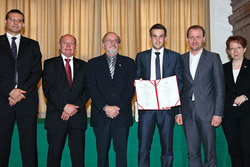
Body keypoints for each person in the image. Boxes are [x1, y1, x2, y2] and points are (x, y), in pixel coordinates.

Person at [175, 25, 225, 167]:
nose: (195, 40)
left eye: (198, 37)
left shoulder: (213, 58)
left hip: (208, 113)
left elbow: (219, 88)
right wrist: (178, 112)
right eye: (191, 37)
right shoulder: (181, 59)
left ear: (204, 38)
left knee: (210, 154)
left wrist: (217, 113)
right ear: (187, 39)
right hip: (187, 113)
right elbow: (179, 87)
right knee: (192, 153)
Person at [135, 23, 183, 167]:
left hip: (167, 109)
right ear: (150, 38)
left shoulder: (175, 57)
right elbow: (137, 78)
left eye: (160, 36)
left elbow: (180, 82)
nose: (157, 39)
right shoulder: (141, 56)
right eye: (154, 36)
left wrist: (173, 102)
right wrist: (138, 83)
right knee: (143, 149)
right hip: (147, 110)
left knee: (167, 149)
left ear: (165, 38)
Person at [86, 32, 136, 167]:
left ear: (119, 44)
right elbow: (91, 88)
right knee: (102, 155)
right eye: (108, 41)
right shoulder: (92, 63)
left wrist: (116, 107)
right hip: (101, 116)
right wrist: (106, 107)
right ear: (103, 44)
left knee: (121, 155)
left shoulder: (130, 63)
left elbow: (130, 89)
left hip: (122, 115)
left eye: (115, 41)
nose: (112, 43)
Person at [0, 9, 42, 167]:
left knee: (29, 147)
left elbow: (37, 72)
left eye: (19, 20)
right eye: (12, 19)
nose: (16, 22)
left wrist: (19, 92)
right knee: (2, 146)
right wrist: (10, 91)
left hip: (27, 101)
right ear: (5, 22)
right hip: (3, 102)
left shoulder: (32, 45)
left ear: (23, 24)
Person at [42, 34, 89, 167]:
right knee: (53, 158)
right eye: (65, 43)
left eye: (71, 43)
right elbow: (48, 89)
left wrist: (74, 108)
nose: (68, 46)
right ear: (59, 46)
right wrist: (64, 106)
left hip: (77, 118)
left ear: (76, 47)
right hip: (56, 118)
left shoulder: (84, 66)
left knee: (78, 159)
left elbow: (87, 90)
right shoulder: (49, 64)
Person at [222, 35, 250, 167]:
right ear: (228, 51)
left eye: (239, 47)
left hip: (247, 114)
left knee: (247, 149)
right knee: (234, 150)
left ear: (244, 49)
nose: (236, 51)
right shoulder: (223, 68)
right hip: (229, 115)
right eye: (232, 48)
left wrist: (245, 97)